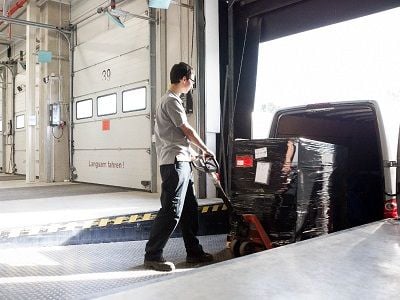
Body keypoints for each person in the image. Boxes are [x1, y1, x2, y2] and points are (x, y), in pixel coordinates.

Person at [144, 62, 215, 272]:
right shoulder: (171, 101)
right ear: (184, 79)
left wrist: (192, 154)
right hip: (174, 165)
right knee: (171, 210)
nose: (191, 85)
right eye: (191, 80)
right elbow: (187, 130)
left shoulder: (169, 101)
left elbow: (173, 138)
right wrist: (205, 149)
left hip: (182, 161)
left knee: (189, 210)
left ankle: (194, 252)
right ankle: (153, 255)